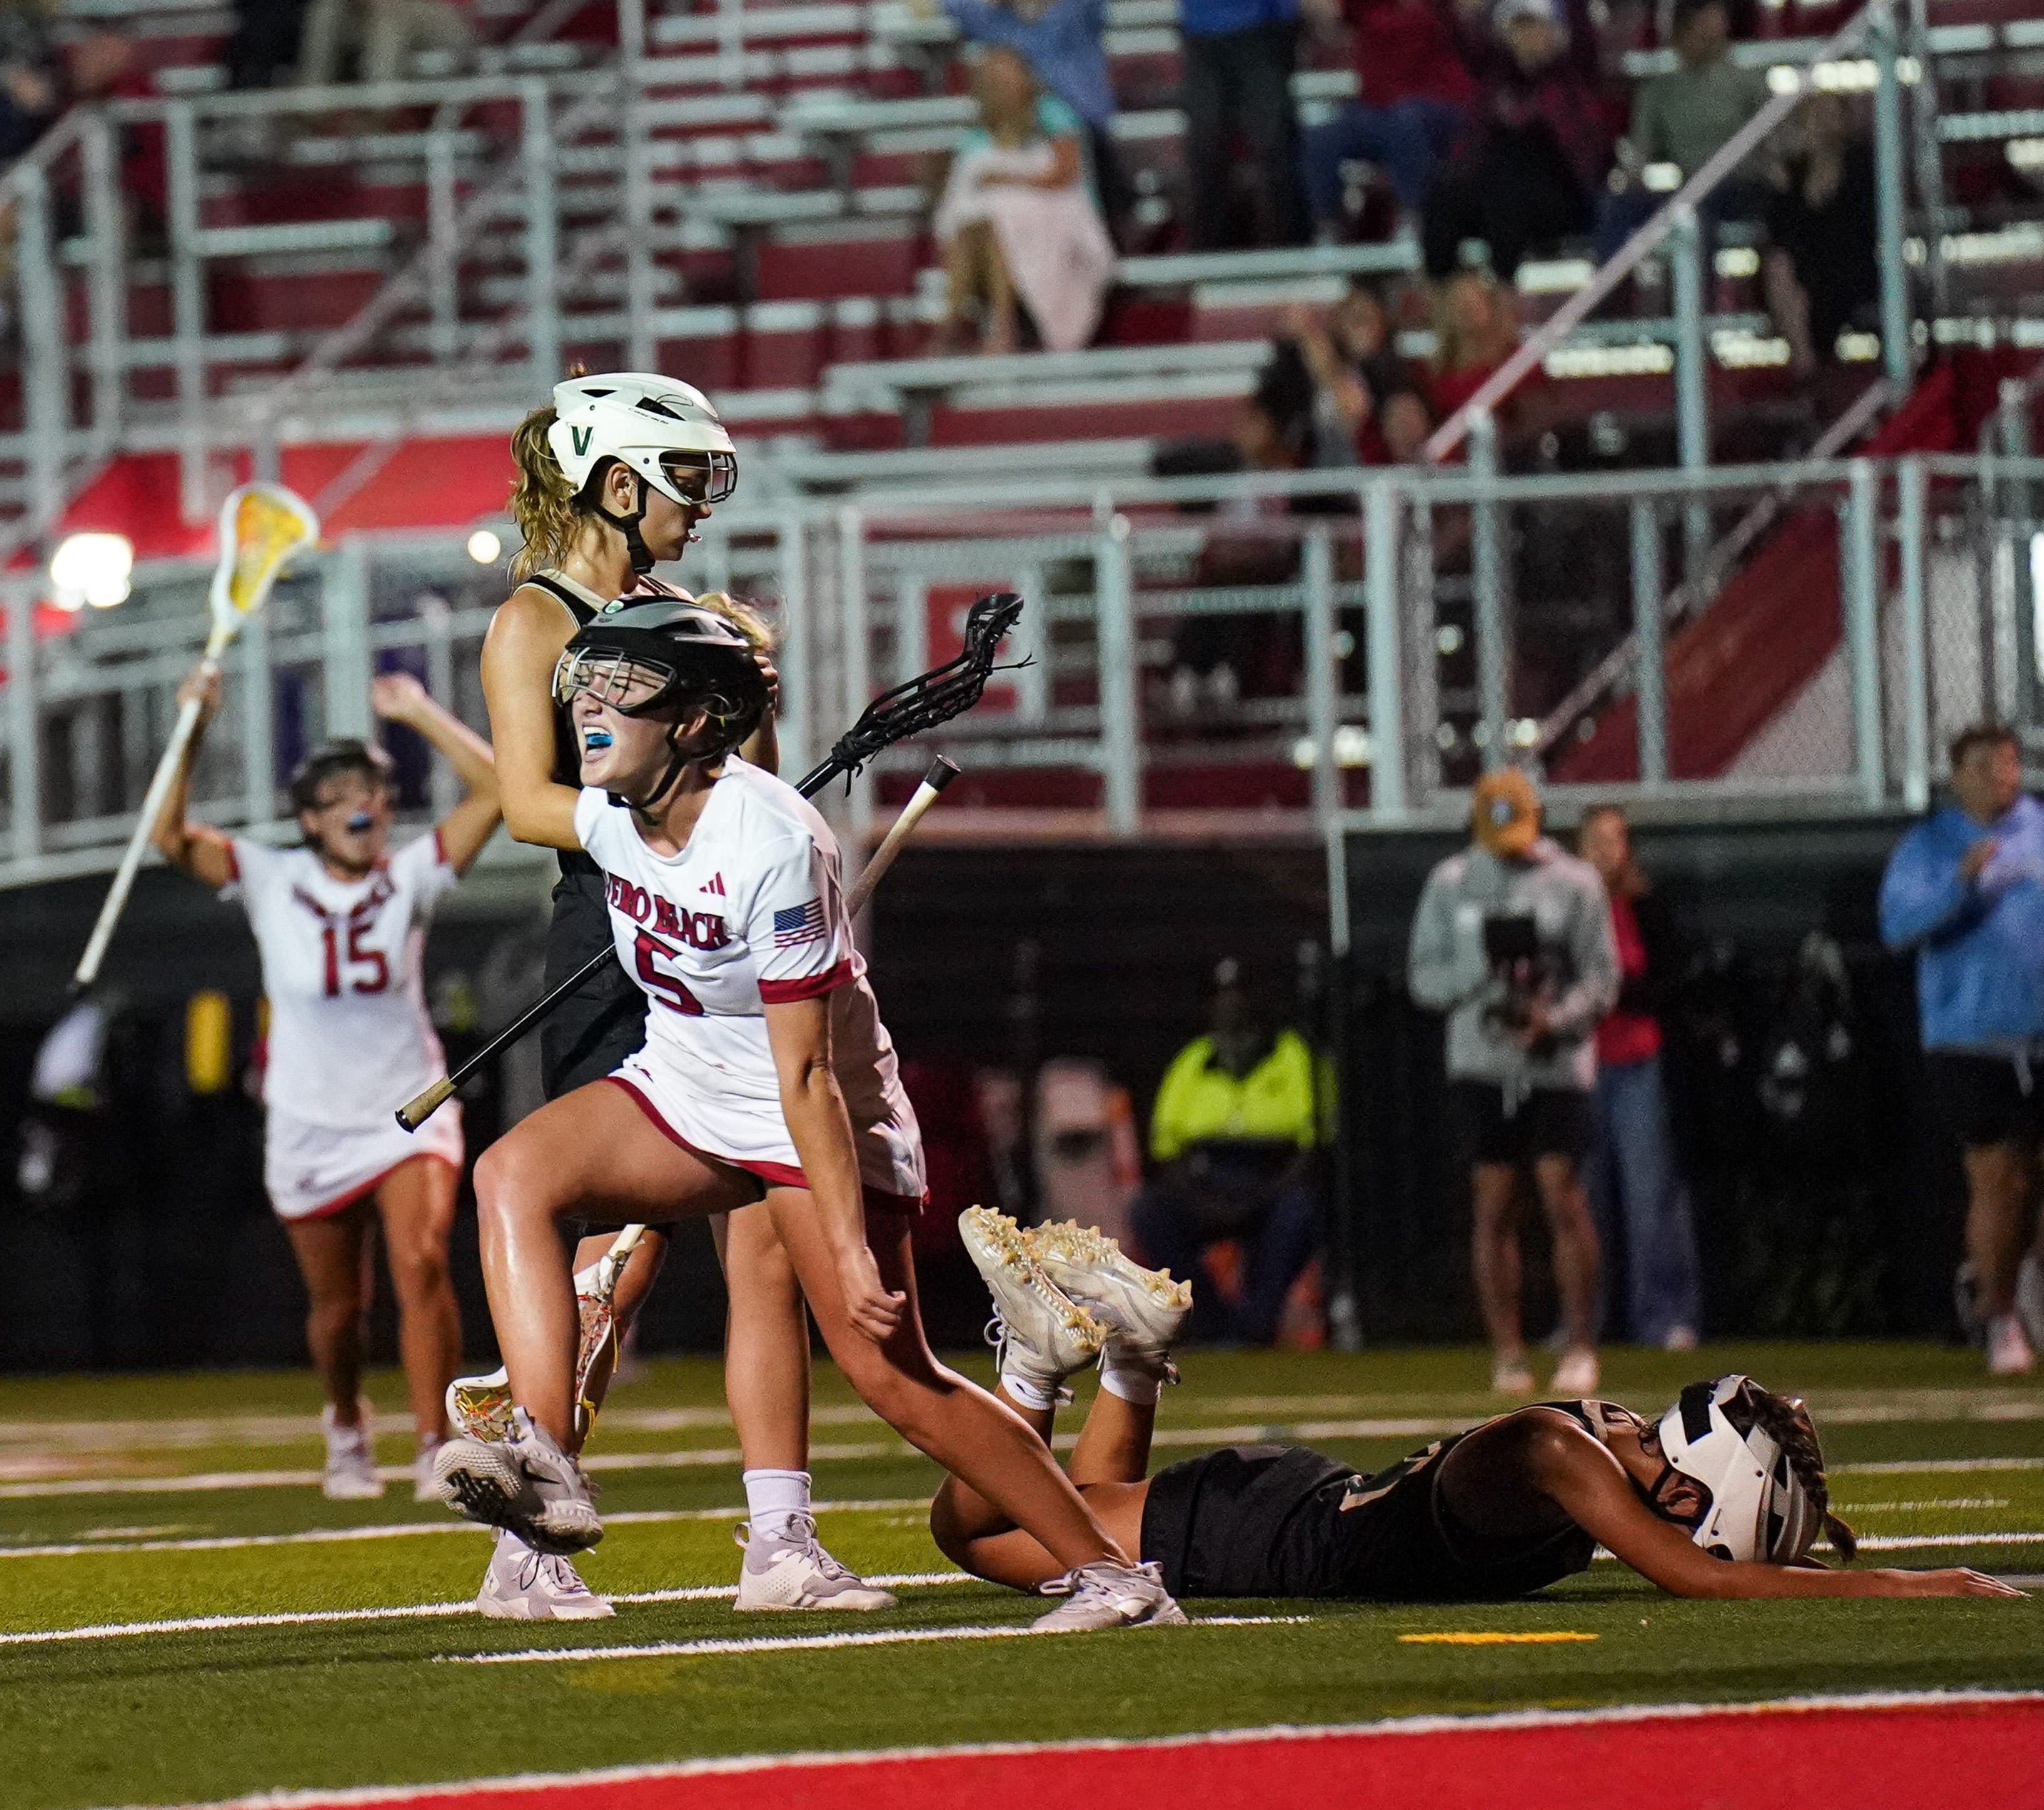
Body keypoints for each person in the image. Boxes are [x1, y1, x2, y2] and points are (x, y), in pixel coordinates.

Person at [431, 600, 1182, 1634]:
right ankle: (547, 1461)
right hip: (687, 1086)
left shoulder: (773, 842)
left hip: (815, 1120)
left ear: (697, 721)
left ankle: (1115, 1576)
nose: (590, 708)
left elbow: (808, 1080)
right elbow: (523, 795)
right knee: (508, 1172)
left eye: (621, 686)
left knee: (892, 1371)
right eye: (587, 682)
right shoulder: (614, 809)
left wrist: (845, 1240)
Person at [468, 370, 888, 1621]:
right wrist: (643, 829)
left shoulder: (683, 616)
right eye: (685, 479)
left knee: (762, 1253)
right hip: (612, 939)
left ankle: (781, 1544)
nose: (703, 503)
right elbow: (526, 802)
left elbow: (750, 793)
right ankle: (528, 1541)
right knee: (612, 1264)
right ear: (615, 483)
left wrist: (743, 701)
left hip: (719, 951)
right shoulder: (533, 625)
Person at [933, 1214, 2023, 1606]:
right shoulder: (1561, 1450)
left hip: (1287, 1508)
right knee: (968, 1530)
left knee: (1052, 1508)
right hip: (1261, 1534)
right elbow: (1696, 1574)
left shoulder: (1593, 1442)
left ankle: (1125, 1357)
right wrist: (1901, 1576)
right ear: (1696, 1490)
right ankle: (1037, 1363)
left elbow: (1705, 1554)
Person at [148, 667, 500, 1502]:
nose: (362, 804)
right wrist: (193, 724)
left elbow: (496, 789)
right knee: (339, 1308)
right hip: (307, 1116)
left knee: (420, 1263)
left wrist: (419, 713)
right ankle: (346, 1423)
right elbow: (166, 833)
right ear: (309, 818)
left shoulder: (409, 874)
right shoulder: (269, 877)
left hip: (407, 1106)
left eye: (374, 790)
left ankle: (432, 1447)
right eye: (342, 792)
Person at [1408, 768, 1617, 1395]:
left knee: (1560, 1189)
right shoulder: (1450, 883)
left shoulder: (1575, 882)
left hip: (1554, 1060)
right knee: (1493, 1199)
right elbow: (1423, 976)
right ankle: (1508, 1351)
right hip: (1481, 1059)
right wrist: (1479, 980)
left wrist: (1552, 1018)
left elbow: (1601, 978)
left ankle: (1579, 1342)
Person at [1879, 723, 2044, 1377]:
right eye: (1983, 765)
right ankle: (1998, 1315)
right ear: (1958, 776)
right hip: (1969, 1035)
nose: (2000, 775)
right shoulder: (1929, 845)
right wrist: (1960, 883)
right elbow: (1898, 926)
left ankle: (2026, 1299)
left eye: (2008, 763)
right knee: (1996, 1177)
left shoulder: (2037, 827)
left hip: (2040, 1031)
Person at [1128, 960, 1327, 1346]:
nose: (1233, 1007)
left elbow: (1310, 1148)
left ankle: (1257, 1325)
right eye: (1224, 997)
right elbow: (1167, 1154)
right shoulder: (1191, 1062)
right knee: (1149, 1210)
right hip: (1206, 1186)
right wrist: (1209, 1202)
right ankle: (1210, 1324)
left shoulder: (1292, 1055)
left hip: (1271, 1182)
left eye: (1241, 996)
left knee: (1300, 1209)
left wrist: (1258, 1199)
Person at [1578, 805, 1701, 1350]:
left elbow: (1666, 986)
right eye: (1596, 840)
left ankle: (1666, 1317)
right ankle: (1585, 1323)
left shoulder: (1647, 907)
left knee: (1650, 1197)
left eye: (1616, 839)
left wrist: (1610, 991)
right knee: (1583, 1202)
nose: (1607, 850)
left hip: (1637, 1065)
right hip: (1578, 1067)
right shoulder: (1567, 905)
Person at [932, 44, 1116, 354]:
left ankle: (993, 328)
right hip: (989, 235)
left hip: (1057, 222)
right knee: (975, 229)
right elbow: (962, 196)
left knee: (995, 227)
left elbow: (1063, 174)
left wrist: (1007, 179)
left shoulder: (1053, 114)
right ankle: (961, 325)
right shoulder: (975, 137)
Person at [1421, 0, 1611, 284]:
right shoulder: (1495, 74)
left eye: (1532, 26)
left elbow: (1581, 25)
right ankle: (1444, 294)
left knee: (1514, 160)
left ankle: (1502, 290)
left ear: (1553, 31)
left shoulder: (1574, 72)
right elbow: (1456, 29)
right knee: (1442, 190)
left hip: (1563, 196)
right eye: (1517, 29)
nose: (1525, 37)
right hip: (1497, 196)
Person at [1593, 0, 1769, 263]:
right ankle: (1608, 296)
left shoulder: (1747, 81)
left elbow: (1772, 143)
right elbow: (1639, 157)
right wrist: (1630, 181)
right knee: (1617, 207)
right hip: (1690, 189)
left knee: (1697, 210)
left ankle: (1701, 301)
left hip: (1740, 187)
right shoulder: (1658, 91)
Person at [939, 0, 1129, 241]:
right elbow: (956, 7)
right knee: (973, 166)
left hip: (1083, 127)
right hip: (1007, 130)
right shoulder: (992, 20)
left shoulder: (1074, 14)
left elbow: (1064, 169)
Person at [1301, 0, 1474, 236]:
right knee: (1323, 136)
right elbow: (1326, 11)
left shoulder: (1437, 9)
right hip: (1376, 109)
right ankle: (1329, 225)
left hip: (1435, 104)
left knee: (1405, 121)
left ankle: (1413, 215)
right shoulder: (1367, 7)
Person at [1761, 91, 1879, 376]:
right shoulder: (1791, 176)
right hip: (1806, 270)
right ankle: (1805, 367)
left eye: (1830, 114)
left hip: (1852, 267)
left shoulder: (1863, 167)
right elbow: (1782, 236)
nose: (1824, 122)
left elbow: (1861, 230)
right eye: (1815, 116)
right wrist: (1783, 187)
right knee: (1780, 271)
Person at [1179, 0, 1308, 250]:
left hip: (1260, 30)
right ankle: (1207, 254)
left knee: (1274, 147)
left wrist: (1286, 17)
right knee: (1207, 151)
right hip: (1204, 33)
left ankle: (1287, 250)